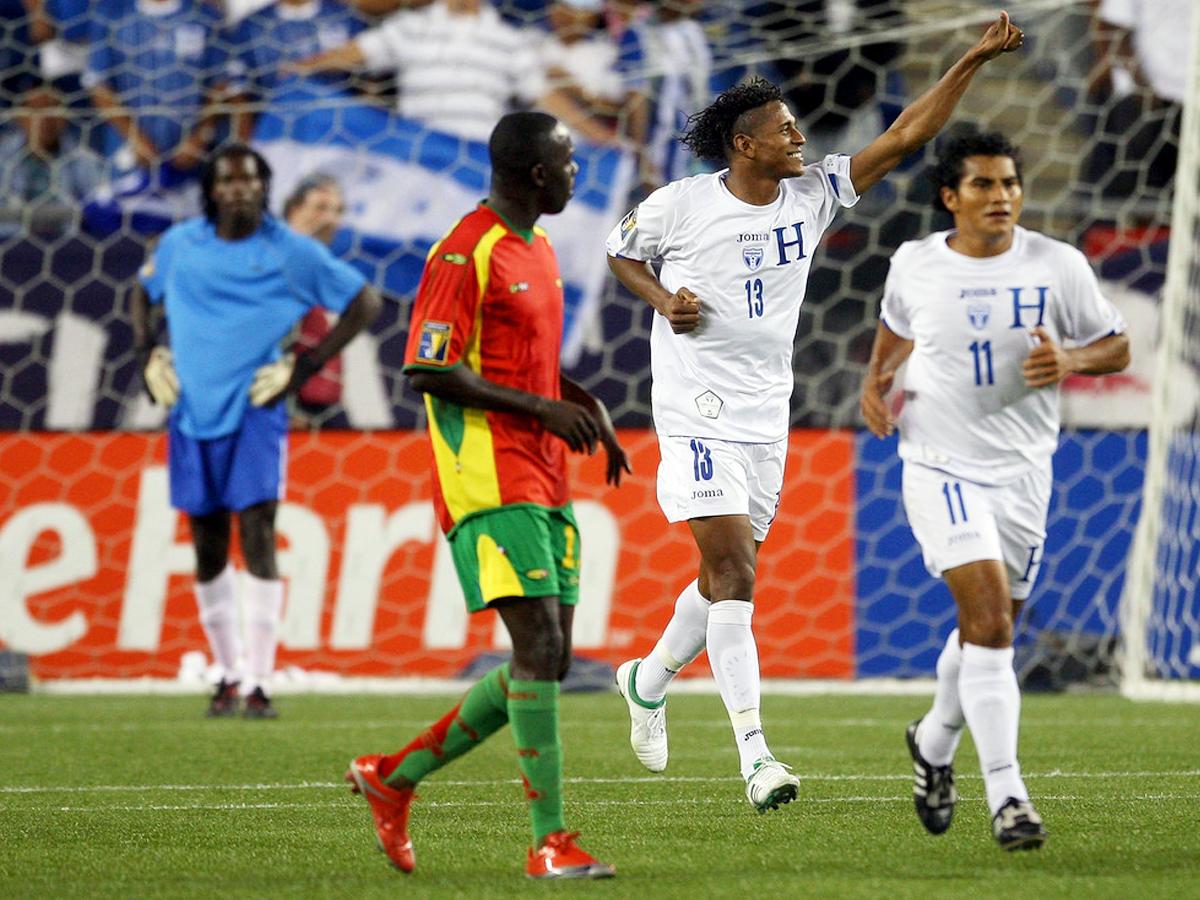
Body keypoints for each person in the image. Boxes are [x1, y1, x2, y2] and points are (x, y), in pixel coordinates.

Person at [604, 12, 1024, 814]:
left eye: (796, 127)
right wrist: (665, 299)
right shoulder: (681, 206)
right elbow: (621, 253)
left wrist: (969, 59)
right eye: (783, 129)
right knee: (734, 574)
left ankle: (647, 678)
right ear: (743, 144)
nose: (799, 136)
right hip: (694, 407)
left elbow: (902, 136)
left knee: (725, 576)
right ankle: (756, 757)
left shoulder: (815, 194)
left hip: (767, 413)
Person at [344, 110, 629, 880]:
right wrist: (544, 410)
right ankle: (550, 842)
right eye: (569, 164)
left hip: (544, 472)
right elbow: (428, 367)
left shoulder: (535, 247)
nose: (577, 174)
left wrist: (584, 408)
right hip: (486, 475)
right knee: (537, 649)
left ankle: (391, 778)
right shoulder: (463, 252)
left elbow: (522, 364)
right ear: (537, 173)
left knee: (553, 655)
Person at [859, 132, 1129, 850]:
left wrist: (1071, 356)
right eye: (983, 185)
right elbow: (893, 333)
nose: (1002, 197)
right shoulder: (915, 264)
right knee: (990, 623)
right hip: (940, 462)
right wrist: (873, 383)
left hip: (1024, 472)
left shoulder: (1057, 264)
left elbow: (1119, 345)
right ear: (951, 197)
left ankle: (934, 741)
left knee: (990, 632)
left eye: (1009, 183)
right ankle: (1009, 797)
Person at [129, 143, 382, 717]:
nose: (239, 189)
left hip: (254, 409)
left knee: (259, 530)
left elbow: (364, 303)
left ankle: (262, 681)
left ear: (265, 189)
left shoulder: (291, 252)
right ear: (212, 189)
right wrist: (148, 354)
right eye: (228, 180)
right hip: (191, 410)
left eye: (250, 181)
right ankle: (226, 673)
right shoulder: (179, 245)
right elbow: (141, 292)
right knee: (207, 540)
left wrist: (305, 366)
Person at [283, 0, 616, 145]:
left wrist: (602, 137)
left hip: (476, 163)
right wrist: (300, 68)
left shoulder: (508, 39)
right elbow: (355, 53)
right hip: (418, 154)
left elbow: (546, 96)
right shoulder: (412, 27)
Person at [283, 173, 349, 412]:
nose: (330, 219)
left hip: (319, 404)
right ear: (293, 209)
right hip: (282, 404)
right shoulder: (277, 263)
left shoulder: (328, 270)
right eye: (320, 207)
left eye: (338, 211)